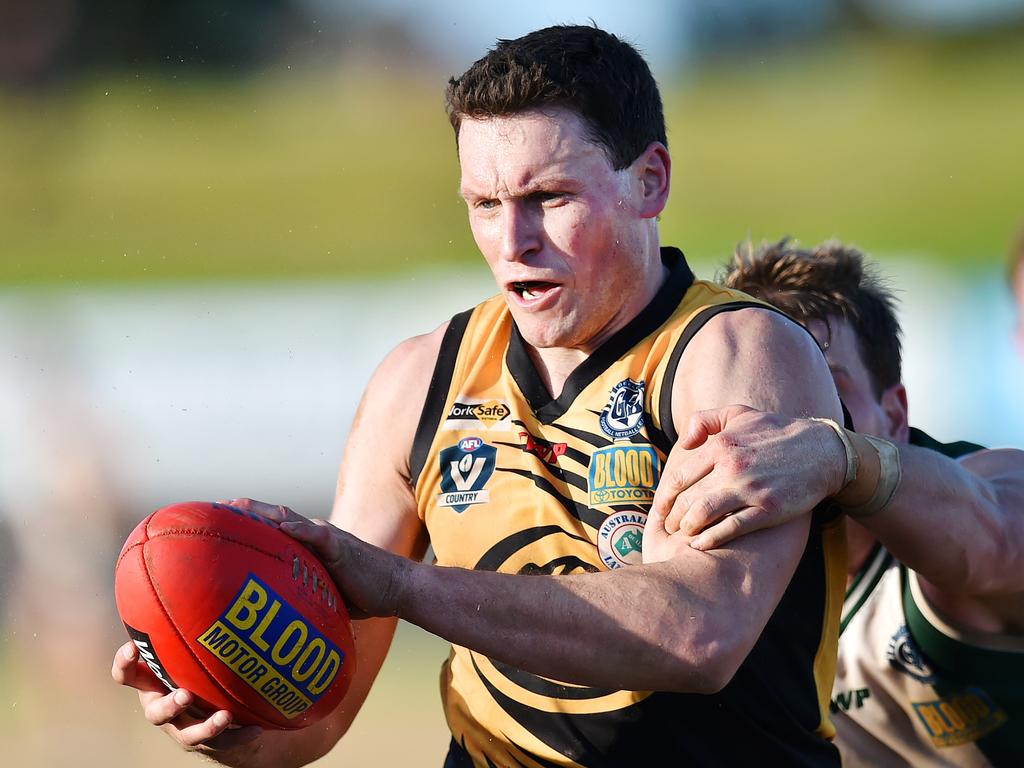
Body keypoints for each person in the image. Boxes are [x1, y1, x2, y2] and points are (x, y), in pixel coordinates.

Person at [112, 27, 855, 767]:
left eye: (549, 197)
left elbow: (698, 636)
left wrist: (404, 585)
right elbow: (311, 724)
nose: (513, 240)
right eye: (486, 204)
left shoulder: (736, 356)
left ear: (650, 180)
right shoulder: (421, 380)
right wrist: (229, 712)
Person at [658, 239, 1024, 766]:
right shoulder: (695, 546)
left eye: (826, 389)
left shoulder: (963, 494)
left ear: (895, 415)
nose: (777, 427)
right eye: (761, 397)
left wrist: (838, 457)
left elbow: (997, 535)